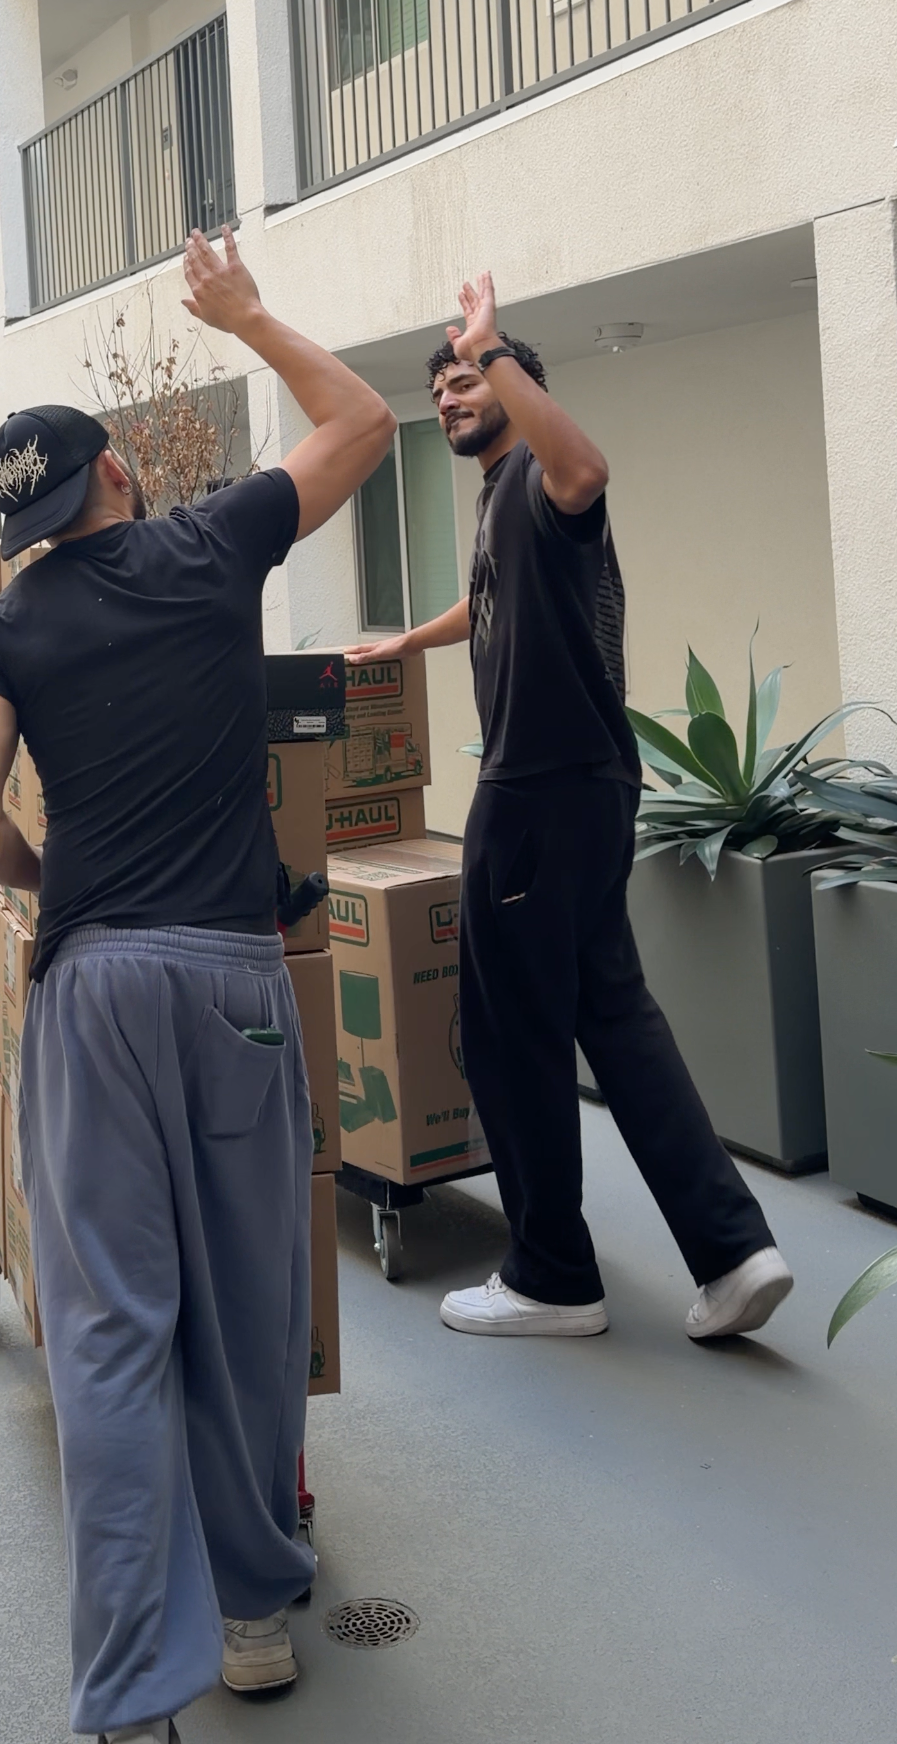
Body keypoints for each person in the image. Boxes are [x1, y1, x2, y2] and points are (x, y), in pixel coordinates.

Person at [0, 227, 395, 1744]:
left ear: (26, 522)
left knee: (112, 1330)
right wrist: (246, 315)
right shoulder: (207, 548)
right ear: (120, 473)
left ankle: (135, 1693)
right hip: (232, 978)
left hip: (93, 991)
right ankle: (255, 1619)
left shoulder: (6, 626)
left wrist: (43, 880)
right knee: (252, 1305)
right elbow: (361, 424)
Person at [350, 272, 792, 1343]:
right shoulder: (504, 503)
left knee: (511, 1033)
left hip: (534, 794)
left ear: (517, 387)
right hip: (590, 788)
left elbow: (586, 467)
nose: (450, 399)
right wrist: (409, 641)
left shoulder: (545, 481)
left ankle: (552, 1276)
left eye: (467, 381)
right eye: (442, 390)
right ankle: (734, 1252)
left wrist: (493, 348)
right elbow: (486, 601)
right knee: (616, 1019)